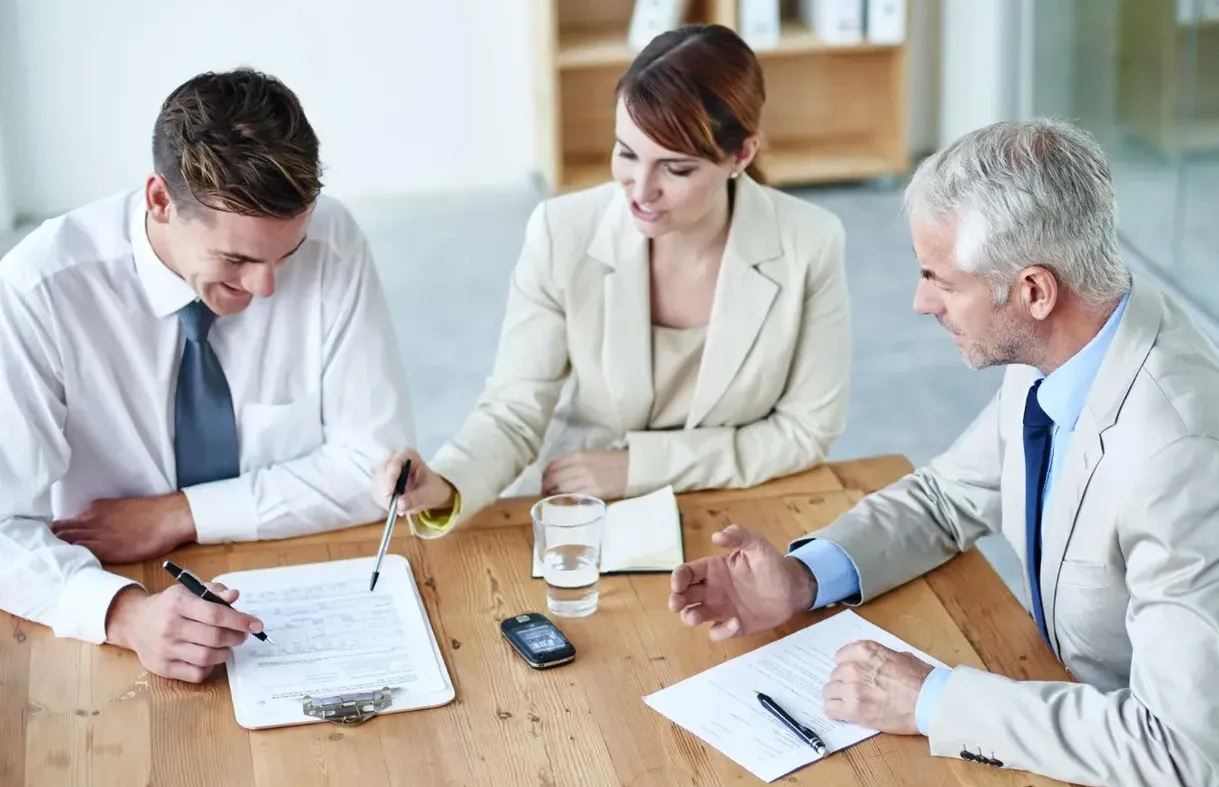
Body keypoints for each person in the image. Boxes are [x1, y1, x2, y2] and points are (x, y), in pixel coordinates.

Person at [665, 120, 1219, 787]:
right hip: (1093, 720)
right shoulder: (1070, 344)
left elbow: (1176, 751)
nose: (918, 300)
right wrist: (798, 578)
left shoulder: (1183, 460)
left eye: (939, 278)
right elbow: (947, 497)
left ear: (1033, 290)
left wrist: (932, 699)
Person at [0, 69, 414, 683]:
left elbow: (377, 472)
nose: (267, 286)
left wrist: (180, 513)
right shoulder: (38, 290)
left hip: (293, 573)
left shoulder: (333, 243)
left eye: (285, 255)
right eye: (237, 259)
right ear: (160, 201)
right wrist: (121, 614)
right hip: (112, 581)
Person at [375, 24, 851, 535]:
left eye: (676, 170)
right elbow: (515, 410)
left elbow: (806, 431)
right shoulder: (563, 233)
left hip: (736, 504)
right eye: (627, 154)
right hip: (582, 504)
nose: (641, 191)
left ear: (741, 155)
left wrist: (639, 467)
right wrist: (446, 483)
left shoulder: (810, 242)